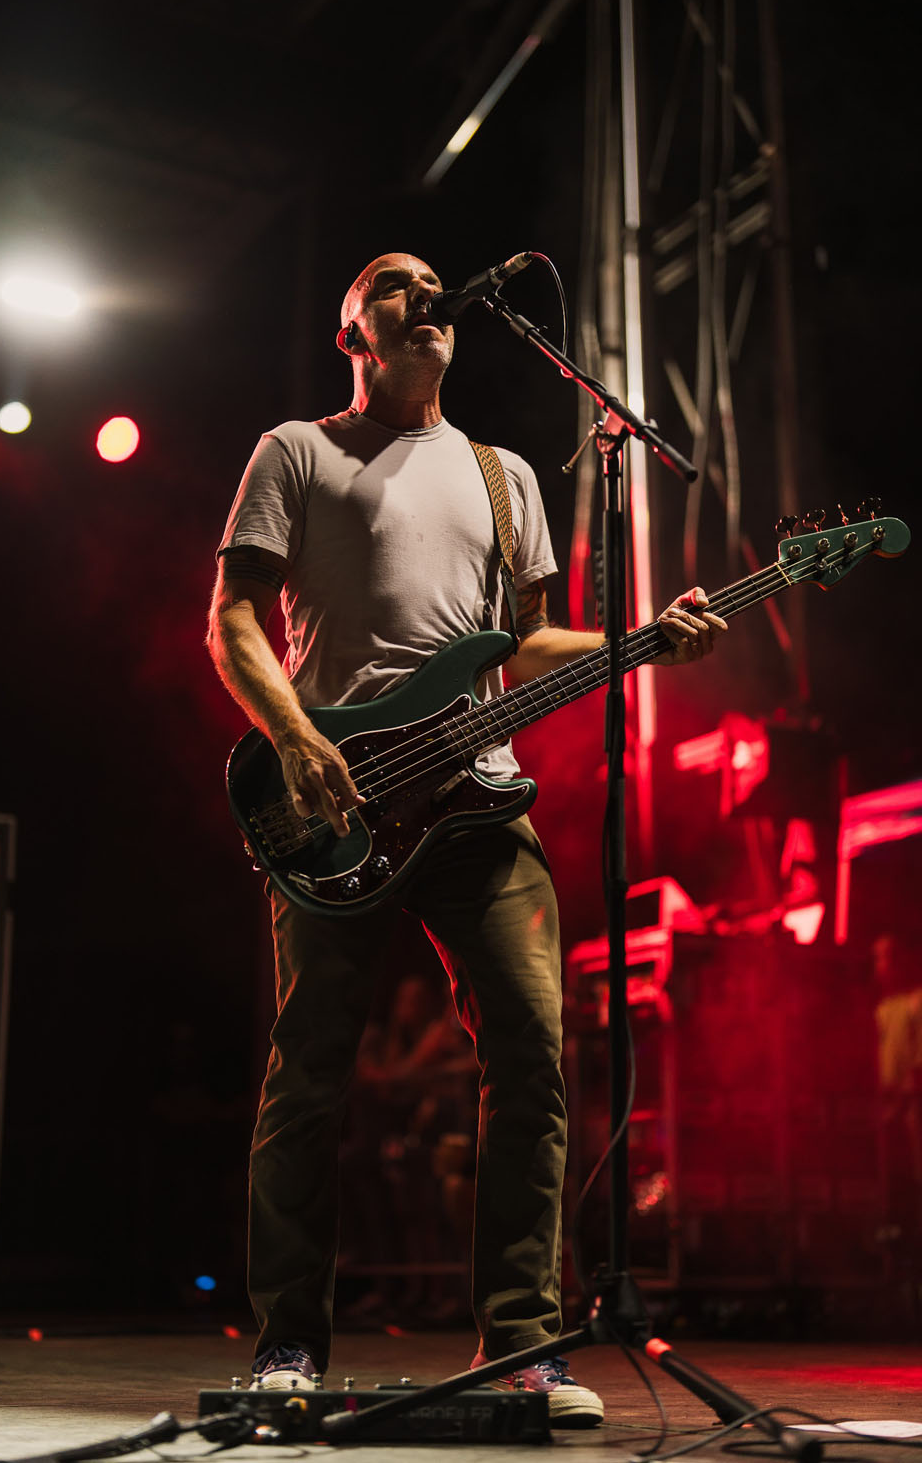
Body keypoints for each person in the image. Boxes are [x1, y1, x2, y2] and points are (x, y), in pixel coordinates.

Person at [206, 252, 727, 1427]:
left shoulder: (504, 478)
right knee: (312, 1073)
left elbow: (521, 648)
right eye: (394, 285)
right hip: (338, 799)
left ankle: (526, 1347)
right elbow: (232, 615)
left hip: (481, 802)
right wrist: (292, 737)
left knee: (535, 1059)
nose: (421, 295)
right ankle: (288, 1341)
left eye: (434, 283)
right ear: (355, 332)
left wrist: (641, 640)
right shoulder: (300, 450)